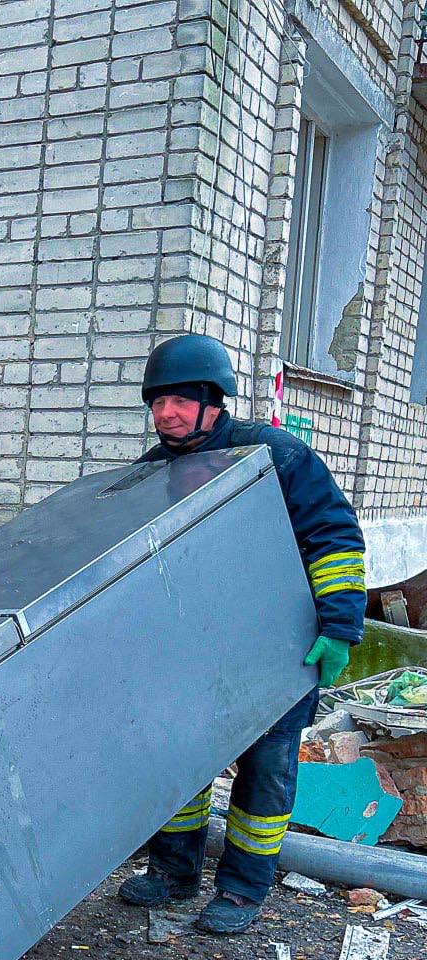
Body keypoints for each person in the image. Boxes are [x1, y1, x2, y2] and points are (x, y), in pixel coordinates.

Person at [117, 334, 366, 934]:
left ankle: (241, 891)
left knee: (266, 769)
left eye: (178, 401)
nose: (165, 414)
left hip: (274, 649)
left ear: (213, 399)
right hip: (190, 652)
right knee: (178, 764)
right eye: (157, 403)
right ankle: (174, 872)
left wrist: (338, 629)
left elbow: (334, 540)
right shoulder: (152, 473)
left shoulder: (276, 456)